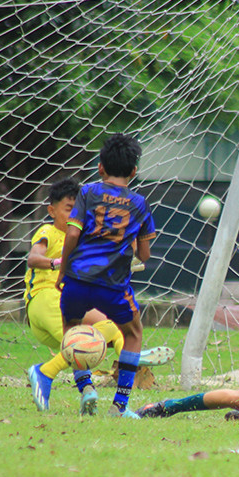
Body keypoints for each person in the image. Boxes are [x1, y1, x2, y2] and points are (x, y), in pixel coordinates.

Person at [26, 178, 172, 415]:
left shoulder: (85, 236)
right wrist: (56, 263)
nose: (73, 215)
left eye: (76, 210)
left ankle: (89, 391)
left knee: (110, 329)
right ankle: (45, 371)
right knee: (85, 342)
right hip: (44, 298)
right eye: (67, 209)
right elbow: (33, 258)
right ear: (51, 210)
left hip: (70, 292)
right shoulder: (48, 231)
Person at [53, 133, 158, 418]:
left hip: (78, 279)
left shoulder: (87, 192)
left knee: (71, 328)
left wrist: (64, 271)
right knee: (133, 333)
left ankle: (86, 387)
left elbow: (73, 232)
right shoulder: (140, 203)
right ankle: (119, 404)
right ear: (134, 172)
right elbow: (145, 255)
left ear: (100, 167)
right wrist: (131, 246)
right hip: (112, 286)